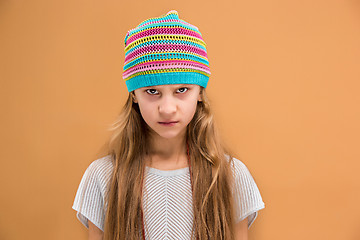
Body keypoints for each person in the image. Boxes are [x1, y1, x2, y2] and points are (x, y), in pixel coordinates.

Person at [72, 10, 265, 240]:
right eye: (152, 91)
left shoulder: (229, 176)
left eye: (181, 90)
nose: (167, 108)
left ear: (200, 92)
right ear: (134, 94)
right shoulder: (103, 176)